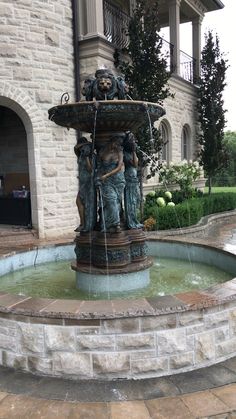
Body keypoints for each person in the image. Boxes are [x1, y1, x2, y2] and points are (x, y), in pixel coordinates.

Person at [96, 135, 125, 233]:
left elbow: (119, 167)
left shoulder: (119, 152)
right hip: (106, 181)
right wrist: (99, 177)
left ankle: (114, 225)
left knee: (116, 202)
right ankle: (113, 224)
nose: (117, 146)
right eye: (116, 143)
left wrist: (106, 175)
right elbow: (99, 166)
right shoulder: (102, 152)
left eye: (118, 144)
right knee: (111, 200)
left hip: (117, 179)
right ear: (111, 142)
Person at [74, 137, 96, 232]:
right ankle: (83, 223)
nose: (82, 149)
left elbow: (91, 170)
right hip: (82, 183)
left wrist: (87, 157)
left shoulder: (92, 157)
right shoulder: (80, 155)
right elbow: (75, 149)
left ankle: (87, 224)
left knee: (86, 203)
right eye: (81, 148)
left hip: (88, 182)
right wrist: (81, 149)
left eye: (84, 147)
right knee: (79, 202)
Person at [123, 132, 143, 229]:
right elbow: (135, 164)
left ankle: (134, 220)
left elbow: (136, 163)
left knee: (137, 200)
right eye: (132, 141)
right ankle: (131, 222)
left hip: (134, 179)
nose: (134, 142)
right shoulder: (125, 154)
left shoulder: (131, 153)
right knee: (131, 201)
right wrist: (134, 151)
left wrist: (134, 151)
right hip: (129, 178)